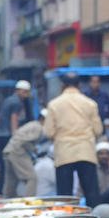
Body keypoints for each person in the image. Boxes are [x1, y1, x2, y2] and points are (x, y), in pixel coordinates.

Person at [42, 73, 101, 202]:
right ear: (79, 85)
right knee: (92, 194)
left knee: (65, 196)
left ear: (62, 85)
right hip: (86, 151)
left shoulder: (54, 104)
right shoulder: (90, 103)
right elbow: (98, 130)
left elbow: (48, 132)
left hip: (64, 152)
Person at [0, 78, 35, 195]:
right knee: (8, 166)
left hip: (0, 135)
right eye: (25, 92)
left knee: (3, 165)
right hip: (8, 136)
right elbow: (14, 119)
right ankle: (5, 190)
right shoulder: (16, 102)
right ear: (19, 91)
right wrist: (15, 137)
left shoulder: (8, 100)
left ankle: (0, 189)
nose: (26, 95)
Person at [0, 117, 48, 195]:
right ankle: (29, 202)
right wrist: (34, 150)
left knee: (11, 181)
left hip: (9, 151)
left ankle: (8, 202)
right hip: (18, 152)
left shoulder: (32, 124)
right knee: (32, 178)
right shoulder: (38, 127)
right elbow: (25, 141)